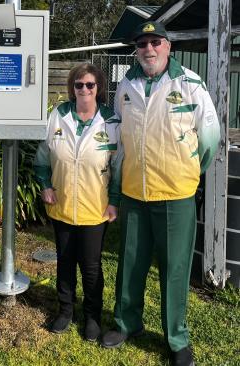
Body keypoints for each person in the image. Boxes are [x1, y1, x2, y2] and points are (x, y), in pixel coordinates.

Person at [101, 22, 220, 366]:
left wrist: (188, 174)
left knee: (175, 268)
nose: (148, 49)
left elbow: (210, 139)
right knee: (131, 262)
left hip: (175, 194)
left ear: (168, 46)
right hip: (135, 192)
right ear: (136, 50)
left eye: (155, 42)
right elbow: (121, 138)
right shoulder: (126, 85)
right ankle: (127, 323)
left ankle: (177, 339)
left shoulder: (190, 84)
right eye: (142, 44)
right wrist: (118, 187)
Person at [34, 63, 121, 342]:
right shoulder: (58, 116)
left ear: (99, 88)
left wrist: (115, 201)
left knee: (91, 265)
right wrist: (45, 185)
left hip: (96, 207)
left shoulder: (111, 121)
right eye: (79, 85)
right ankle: (65, 310)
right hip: (62, 203)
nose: (84, 89)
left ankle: (93, 317)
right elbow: (42, 157)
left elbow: (119, 165)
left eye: (90, 85)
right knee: (65, 260)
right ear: (72, 88)